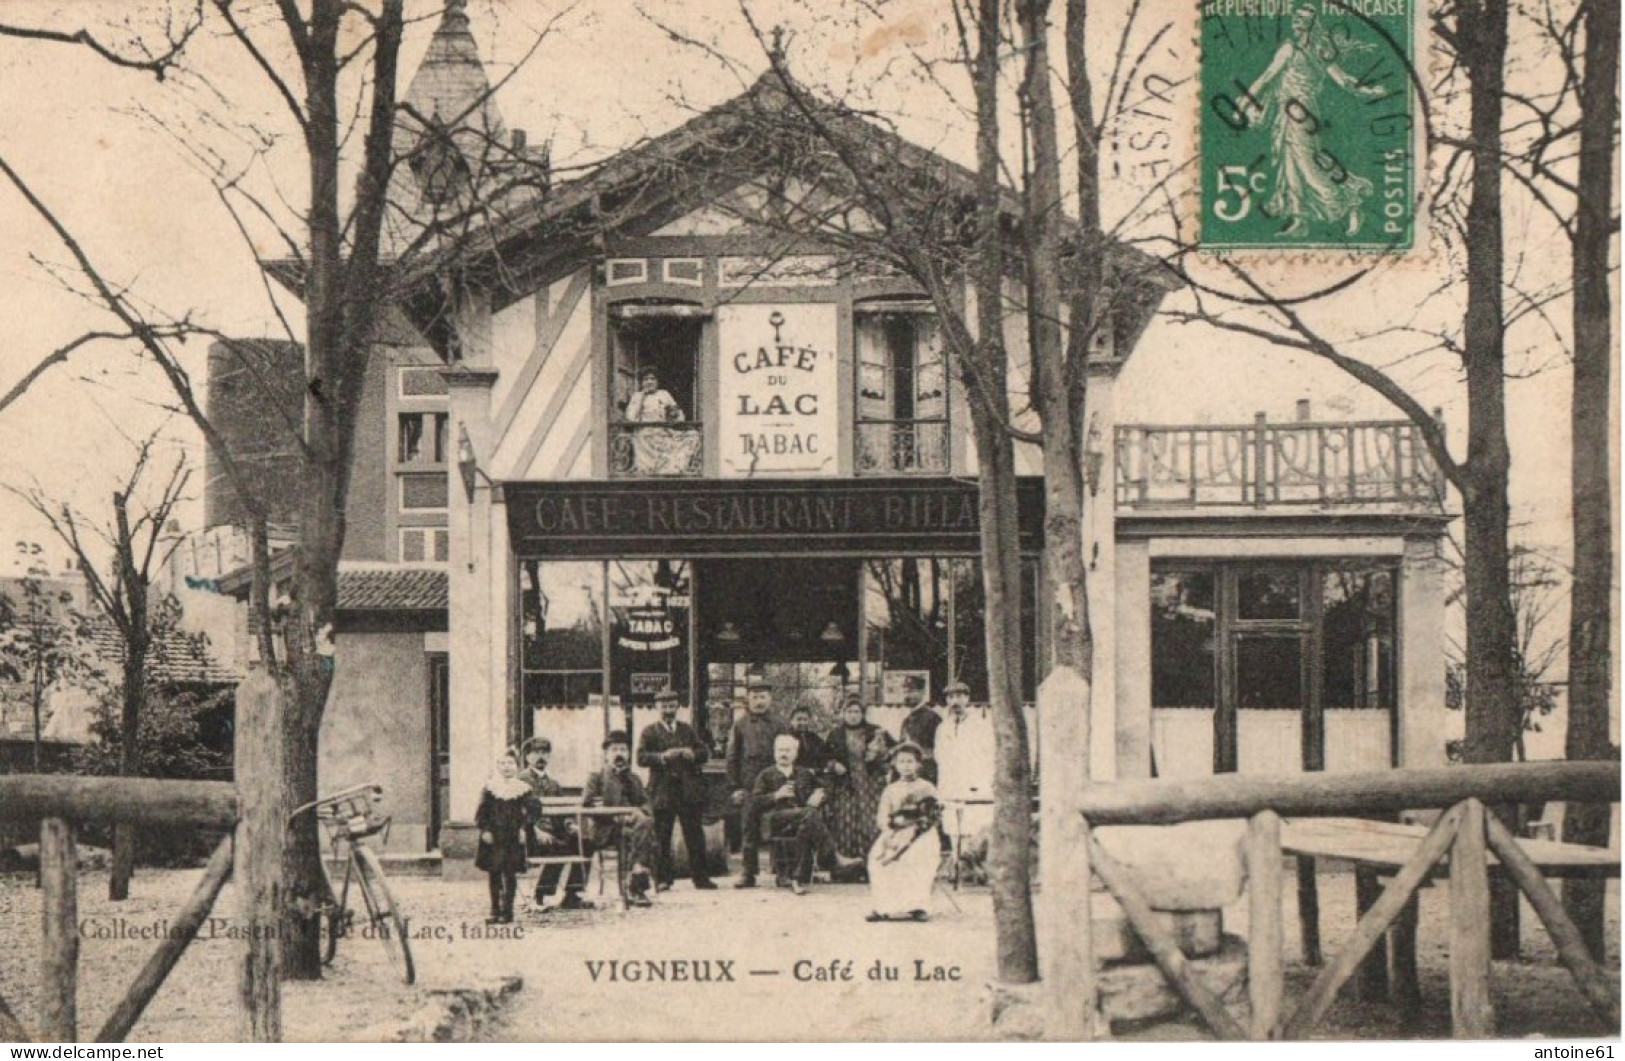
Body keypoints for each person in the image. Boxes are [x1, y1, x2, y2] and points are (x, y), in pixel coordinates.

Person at [1242, 4, 1386, 238]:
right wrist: (1367, 91)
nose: (1297, 22)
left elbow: (1268, 77)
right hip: (1293, 112)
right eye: (1296, 18)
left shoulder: (1295, 49)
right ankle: (1300, 221)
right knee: (1291, 166)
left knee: (1307, 167)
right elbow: (1344, 81)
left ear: (1311, 23)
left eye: (1302, 19)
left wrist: (1243, 102)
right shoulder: (1311, 50)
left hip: (1298, 113)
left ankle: (1349, 203)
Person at [749, 734, 860, 894]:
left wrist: (819, 795)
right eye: (780, 750)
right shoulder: (766, 774)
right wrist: (775, 795)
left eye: (788, 750)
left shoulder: (803, 773)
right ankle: (832, 859)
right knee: (809, 814)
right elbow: (755, 802)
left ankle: (795, 878)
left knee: (806, 825)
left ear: (795, 753)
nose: (783, 754)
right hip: (775, 819)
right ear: (774, 753)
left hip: (802, 818)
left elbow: (823, 789)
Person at [636, 690, 718, 891]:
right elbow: (641, 757)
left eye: (671, 706)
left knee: (695, 835)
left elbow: (704, 753)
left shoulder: (687, 730)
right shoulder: (649, 732)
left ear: (677, 708)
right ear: (657, 708)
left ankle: (701, 878)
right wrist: (662, 757)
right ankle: (663, 879)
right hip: (662, 791)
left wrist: (693, 753)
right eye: (664, 706)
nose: (668, 710)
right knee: (662, 836)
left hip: (688, 791)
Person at [866, 742, 942, 923]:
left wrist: (920, 827)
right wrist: (888, 833)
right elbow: (883, 816)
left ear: (918, 764)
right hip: (896, 832)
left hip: (921, 834)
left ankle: (918, 906)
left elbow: (935, 815)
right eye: (901, 762)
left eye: (910, 761)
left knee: (915, 858)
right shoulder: (891, 789)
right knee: (877, 858)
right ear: (895, 764)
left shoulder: (927, 787)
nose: (906, 766)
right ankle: (883, 907)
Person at [582, 729, 657, 907]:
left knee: (644, 824)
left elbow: (646, 804)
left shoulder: (634, 779)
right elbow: (587, 804)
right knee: (645, 829)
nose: (619, 754)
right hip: (606, 828)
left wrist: (640, 813)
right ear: (606, 754)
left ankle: (636, 879)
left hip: (633, 827)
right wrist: (616, 815)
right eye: (614, 750)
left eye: (623, 750)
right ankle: (636, 884)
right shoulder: (597, 777)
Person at [727, 676, 787, 888]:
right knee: (749, 828)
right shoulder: (740, 725)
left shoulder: (780, 724)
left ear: (770, 699)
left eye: (763, 697)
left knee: (780, 824)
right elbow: (732, 757)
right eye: (755, 697)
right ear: (748, 700)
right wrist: (735, 787)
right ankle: (748, 873)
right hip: (750, 784)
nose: (759, 701)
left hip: (775, 782)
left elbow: (788, 753)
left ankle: (783, 871)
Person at [825, 694, 895, 862]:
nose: (853, 715)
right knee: (845, 822)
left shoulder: (876, 731)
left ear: (863, 713)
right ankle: (847, 864)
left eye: (857, 711)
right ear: (843, 713)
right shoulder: (835, 734)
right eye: (849, 711)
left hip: (870, 784)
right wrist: (834, 764)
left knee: (870, 821)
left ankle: (871, 861)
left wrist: (880, 755)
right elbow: (823, 757)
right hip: (845, 785)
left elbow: (895, 751)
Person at [522, 738, 590, 910]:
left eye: (544, 753)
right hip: (530, 835)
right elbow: (517, 812)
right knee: (558, 846)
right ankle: (540, 893)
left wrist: (569, 825)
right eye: (536, 753)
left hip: (554, 833)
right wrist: (535, 829)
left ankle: (572, 894)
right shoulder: (521, 782)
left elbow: (564, 813)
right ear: (527, 756)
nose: (541, 757)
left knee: (586, 843)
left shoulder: (554, 785)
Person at [475, 752, 538, 924]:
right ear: (497, 767)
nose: (506, 767)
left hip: (513, 836)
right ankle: (495, 910)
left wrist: (524, 828)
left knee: (510, 873)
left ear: (517, 766)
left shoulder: (523, 789)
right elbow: (482, 812)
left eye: (510, 763)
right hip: (494, 836)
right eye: (502, 763)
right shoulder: (490, 788)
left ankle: (508, 911)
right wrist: (485, 830)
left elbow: (534, 811)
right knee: (494, 872)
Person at [898, 683, 943, 784]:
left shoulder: (932, 717)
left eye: (911, 691)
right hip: (909, 774)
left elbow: (938, 749)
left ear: (922, 692)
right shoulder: (907, 720)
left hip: (926, 774)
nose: (907, 695)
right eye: (905, 692)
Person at [789, 703, 834, 774]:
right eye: (799, 719)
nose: (802, 722)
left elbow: (826, 752)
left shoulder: (813, 737)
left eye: (805, 719)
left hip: (814, 774)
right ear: (791, 721)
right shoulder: (786, 738)